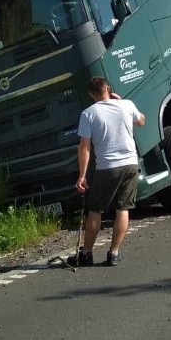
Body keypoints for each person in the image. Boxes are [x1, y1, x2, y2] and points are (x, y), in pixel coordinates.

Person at [67, 76, 145, 266]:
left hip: (107, 167)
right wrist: (119, 102)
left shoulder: (89, 114)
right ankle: (114, 253)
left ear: (90, 94)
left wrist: (82, 176)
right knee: (123, 208)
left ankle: (86, 253)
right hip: (130, 164)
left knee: (95, 210)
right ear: (108, 89)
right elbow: (141, 121)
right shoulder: (126, 104)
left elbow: (85, 147)